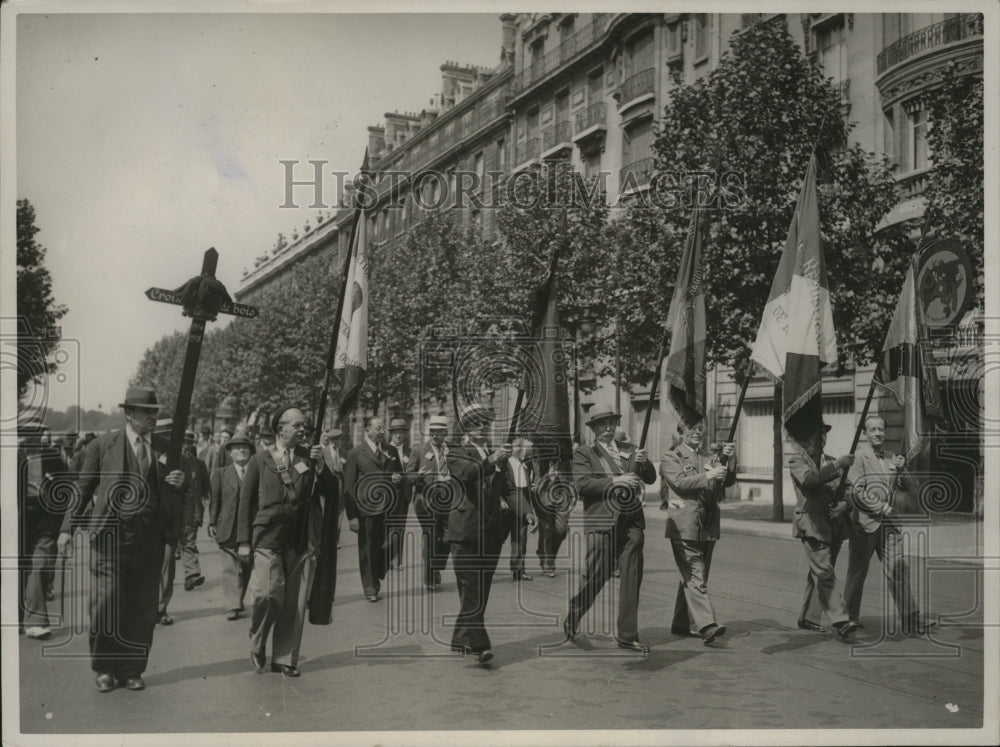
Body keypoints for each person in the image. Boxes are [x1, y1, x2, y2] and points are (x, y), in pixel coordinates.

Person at [57, 386, 185, 692]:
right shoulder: (103, 445)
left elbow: (177, 491)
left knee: (143, 607)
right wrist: (66, 528)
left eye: (155, 412)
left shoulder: (168, 447)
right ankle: (105, 667)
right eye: (147, 412)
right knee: (106, 602)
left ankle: (131, 669)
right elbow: (83, 489)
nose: (154, 417)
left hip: (149, 539)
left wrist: (180, 483)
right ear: (129, 414)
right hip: (109, 538)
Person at [237, 405, 335, 676]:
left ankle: (283, 658)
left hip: (299, 538)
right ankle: (257, 641)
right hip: (268, 537)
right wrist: (243, 540)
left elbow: (331, 489)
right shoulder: (260, 460)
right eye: (297, 425)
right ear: (280, 429)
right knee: (268, 594)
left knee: (293, 601)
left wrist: (322, 464)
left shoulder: (309, 457)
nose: (303, 429)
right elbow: (245, 503)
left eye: (304, 426)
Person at [563, 404, 656, 653]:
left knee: (631, 578)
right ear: (593, 428)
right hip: (602, 522)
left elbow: (650, 478)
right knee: (597, 576)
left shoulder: (630, 450)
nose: (607, 429)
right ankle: (575, 610)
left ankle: (627, 634)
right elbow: (582, 484)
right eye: (602, 425)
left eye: (611, 423)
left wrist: (645, 463)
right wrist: (615, 480)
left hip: (631, 520)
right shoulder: (584, 453)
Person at [444, 404, 514, 664]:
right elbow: (467, 473)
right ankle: (480, 645)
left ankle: (461, 638)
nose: (483, 428)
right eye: (477, 423)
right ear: (466, 428)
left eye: (486, 423)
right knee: (471, 589)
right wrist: (492, 460)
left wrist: (527, 512)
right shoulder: (455, 452)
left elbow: (508, 489)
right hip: (464, 531)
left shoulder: (495, 453)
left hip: (491, 532)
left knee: (481, 589)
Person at [844, 415, 928, 633]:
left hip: (890, 525)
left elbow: (906, 486)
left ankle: (911, 618)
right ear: (865, 433)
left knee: (898, 569)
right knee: (857, 573)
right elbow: (855, 491)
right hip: (864, 525)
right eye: (872, 430)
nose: (878, 433)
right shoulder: (858, 458)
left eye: (881, 429)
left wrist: (902, 469)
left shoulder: (892, 456)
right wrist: (881, 507)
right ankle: (848, 617)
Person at [661, 417, 735, 645]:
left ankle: (681, 623)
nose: (696, 433)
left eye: (700, 430)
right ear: (681, 432)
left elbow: (727, 481)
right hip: (684, 524)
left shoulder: (708, 457)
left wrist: (728, 459)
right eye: (692, 429)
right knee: (695, 575)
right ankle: (707, 625)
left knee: (695, 576)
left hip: (707, 525)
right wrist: (709, 475)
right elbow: (681, 483)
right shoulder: (671, 456)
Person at [788, 420, 858, 640]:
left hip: (834, 523)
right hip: (812, 523)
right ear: (805, 440)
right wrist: (838, 465)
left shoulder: (829, 461)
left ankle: (808, 617)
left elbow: (849, 488)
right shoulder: (797, 460)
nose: (822, 439)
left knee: (819, 571)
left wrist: (844, 504)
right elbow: (810, 481)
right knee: (824, 572)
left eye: (824, 435)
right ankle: (841, 620)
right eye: (817, 436)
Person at [18, 420, 69, 639]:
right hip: (18, 519)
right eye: (28, 433)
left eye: (37, 433)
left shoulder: (52, 456)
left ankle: (36, 622)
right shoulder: (10, 457)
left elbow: (68, 487)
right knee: (18, 569)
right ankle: (18, 619)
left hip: (45, 518)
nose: (33, 438)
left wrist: (66, 525)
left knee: (39, 565)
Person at [343, 417, 403, 601]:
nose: (381, 431)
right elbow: (348, 487)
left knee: (392, 543)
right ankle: (370, 588)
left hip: (388, 508)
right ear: (368, 429)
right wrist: (352, 516)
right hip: (366, 509)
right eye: (378, 428)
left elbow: (399, 472)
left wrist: (398, 478)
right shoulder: (356, 453)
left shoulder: (390, 450)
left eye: (383, 428)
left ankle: (377, 570)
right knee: (367, 549)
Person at [209, 432, 255, 620]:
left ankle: (237, 599)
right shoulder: (220, 473)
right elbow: (215, 500)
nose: (241, 450)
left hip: (251, 529)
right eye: (236, 448)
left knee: (245, 567)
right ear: (230, 452)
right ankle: (232, 605)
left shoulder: (257, 472)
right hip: (227, 526)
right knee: (229, 568)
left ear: (251, 451)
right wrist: (212, 521)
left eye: (244, 447)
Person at [406, 415, 452, 591]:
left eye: (439, 432)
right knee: (431, 535)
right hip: (425, 500)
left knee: (447, 536)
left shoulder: (450, 450)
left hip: (447, 498)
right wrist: (418, 476)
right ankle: (430, 578)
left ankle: (435, 566)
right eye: (432, 432)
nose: (434, 435)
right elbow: (408, 476)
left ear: (445, 433)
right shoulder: (419, 450)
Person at [503, 439, 537, 581]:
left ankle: (518, 569)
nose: (521, 449)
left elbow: (527, 487)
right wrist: (501, 500)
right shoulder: (505, 463)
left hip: (522, 501)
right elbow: (499, 484)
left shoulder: (524, 465)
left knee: (520, 539)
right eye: (518, 446)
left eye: (521, 447)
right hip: (507, 503)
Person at [179, 431, 210, 591]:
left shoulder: (198, 464)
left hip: (191, 509)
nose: (186, 446)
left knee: (189, 542)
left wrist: (202, 504)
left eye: (189, 443)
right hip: (172, 509)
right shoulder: (169, 461)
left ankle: (191, 575)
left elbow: (205, 488)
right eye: (183, 442)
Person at [385, 419, 413, 571]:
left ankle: (398, 560)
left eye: (401, 432)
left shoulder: (410, 451)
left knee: (400, 528)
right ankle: (388, 558)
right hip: (388, 495)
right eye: (395, 432)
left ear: (405, 434)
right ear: (391, 434)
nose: (398, 435)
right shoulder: (385, 450)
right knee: (388, 527)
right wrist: (390, 478)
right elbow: (380, 471)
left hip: (404, 495)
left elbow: (413, 471)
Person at [321, 427, 346, 549]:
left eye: (339, 440)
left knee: (340, 511)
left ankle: (336, 540)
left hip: (340, 484)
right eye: (334, 440)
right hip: (327, 486)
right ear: (330, 440)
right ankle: (325, 538)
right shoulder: (323, 452)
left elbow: (348, 470)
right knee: (326, 511)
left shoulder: (344, 453)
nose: (336, 443)